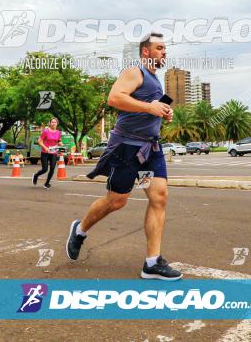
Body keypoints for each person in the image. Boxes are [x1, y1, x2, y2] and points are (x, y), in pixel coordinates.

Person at [66, 32, 181, 280]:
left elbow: (147, 107)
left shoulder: (155, 79)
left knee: (159, 197)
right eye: (159, 48)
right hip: (127, 148)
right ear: (145, 52)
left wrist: (162, 111)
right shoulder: (134, 71)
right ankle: (80, 230)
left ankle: (152, 262)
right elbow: (115, 98)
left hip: (150, 149)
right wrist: (150, 106)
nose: (164, 52)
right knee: (117, 201)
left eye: (165, 48)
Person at [33, 117, 63, 189]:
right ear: (50, 123)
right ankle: (36, 175)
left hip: (53, 152)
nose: (53, 123)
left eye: (55, 122)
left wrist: (60, 143)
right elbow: (39, 141)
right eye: (52, 122)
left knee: (52, 168)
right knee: (45, 169)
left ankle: (47, 183)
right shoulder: (46, 131)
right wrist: (45, 147)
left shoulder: (58, 132)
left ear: (57, 123)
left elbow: (59, 140)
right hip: (45, 152)